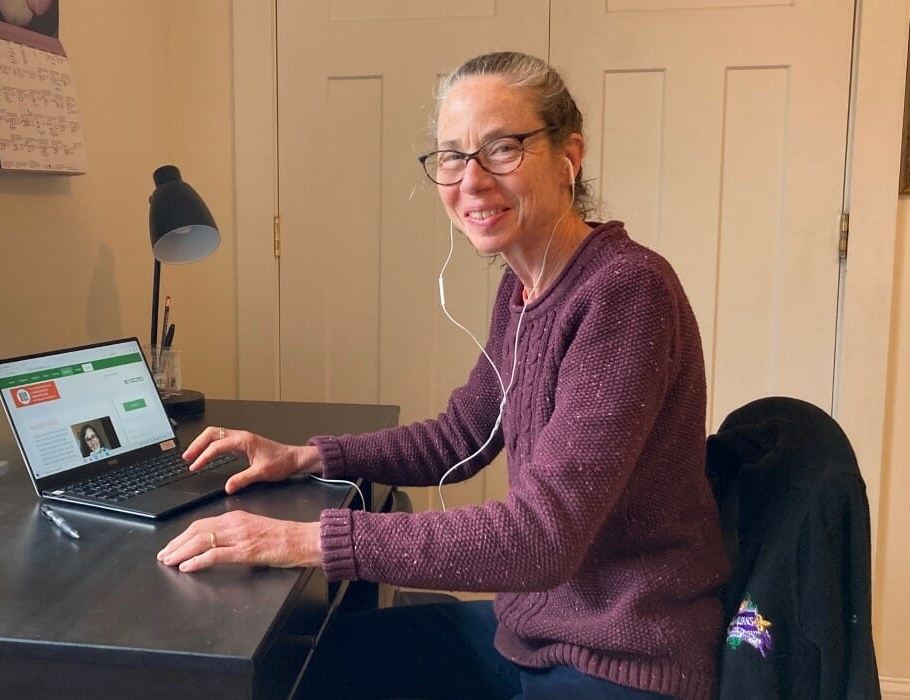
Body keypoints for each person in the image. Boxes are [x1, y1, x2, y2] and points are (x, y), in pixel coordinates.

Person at [157, 51, 729, 700]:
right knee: (306, 669)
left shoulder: (626, 290)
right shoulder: (523, 290)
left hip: (620, 656)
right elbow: (462, 434)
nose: (472, 179)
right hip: (532, 631)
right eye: (452, 156)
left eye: (502, 148)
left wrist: (300, 539)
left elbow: (543, 539)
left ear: (570, 156)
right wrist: (307, 456)